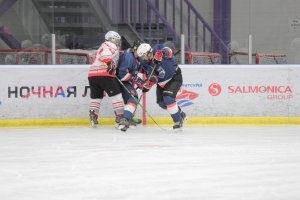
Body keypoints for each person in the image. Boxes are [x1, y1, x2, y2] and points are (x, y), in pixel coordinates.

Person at [137, 43, 187, 131]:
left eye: (143, 56)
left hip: (174, 78)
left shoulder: (157, 48)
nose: (143, 58)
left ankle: (177, 122)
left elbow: (170, 50)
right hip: (162, 83)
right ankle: (180, 113)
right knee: (161, 103)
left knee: (168, 99)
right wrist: (147, 85)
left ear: (149, 53)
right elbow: (154, 77)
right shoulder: (146, 64)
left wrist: (161, 54)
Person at [87, 30, 128, 130]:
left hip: (92, 75)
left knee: (96, 97)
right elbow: (105, 56)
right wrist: (109, 63)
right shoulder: (109, 45)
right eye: (117, 40)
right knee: (117, 96)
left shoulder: (102, 46)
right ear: (112, 39)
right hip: (104, 74)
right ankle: (120, 118)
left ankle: (93, 116)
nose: (118, 43)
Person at [116, 40, 143, 131]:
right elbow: (122, 75)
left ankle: (128, 117)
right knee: (133, 97)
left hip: (125, 81)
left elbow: (135, 71)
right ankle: (125, 119)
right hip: (120, 81)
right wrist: (135, 79)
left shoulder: (136, 57)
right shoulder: (128, 56)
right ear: (135, 49)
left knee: (132, 98)